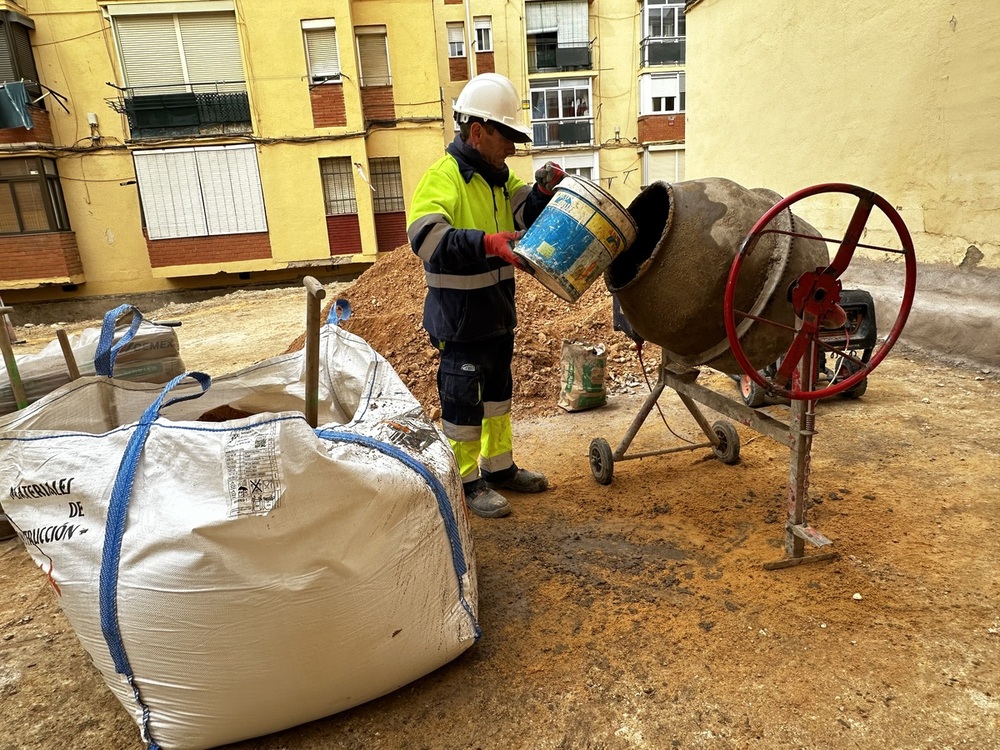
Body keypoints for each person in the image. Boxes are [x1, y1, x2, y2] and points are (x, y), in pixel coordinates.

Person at [407, 73, 566, 519]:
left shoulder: (499, 178)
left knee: (497, 398)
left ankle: (498, 468)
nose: (513, 147)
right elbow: (426, 239)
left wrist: (540, 192)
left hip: (497, 315)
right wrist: (485, 243)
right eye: (507, 136)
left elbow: (525, 213)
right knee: (462, 405)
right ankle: (466, 482)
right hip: (459, 322)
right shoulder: (445, 177)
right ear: (478, 132)